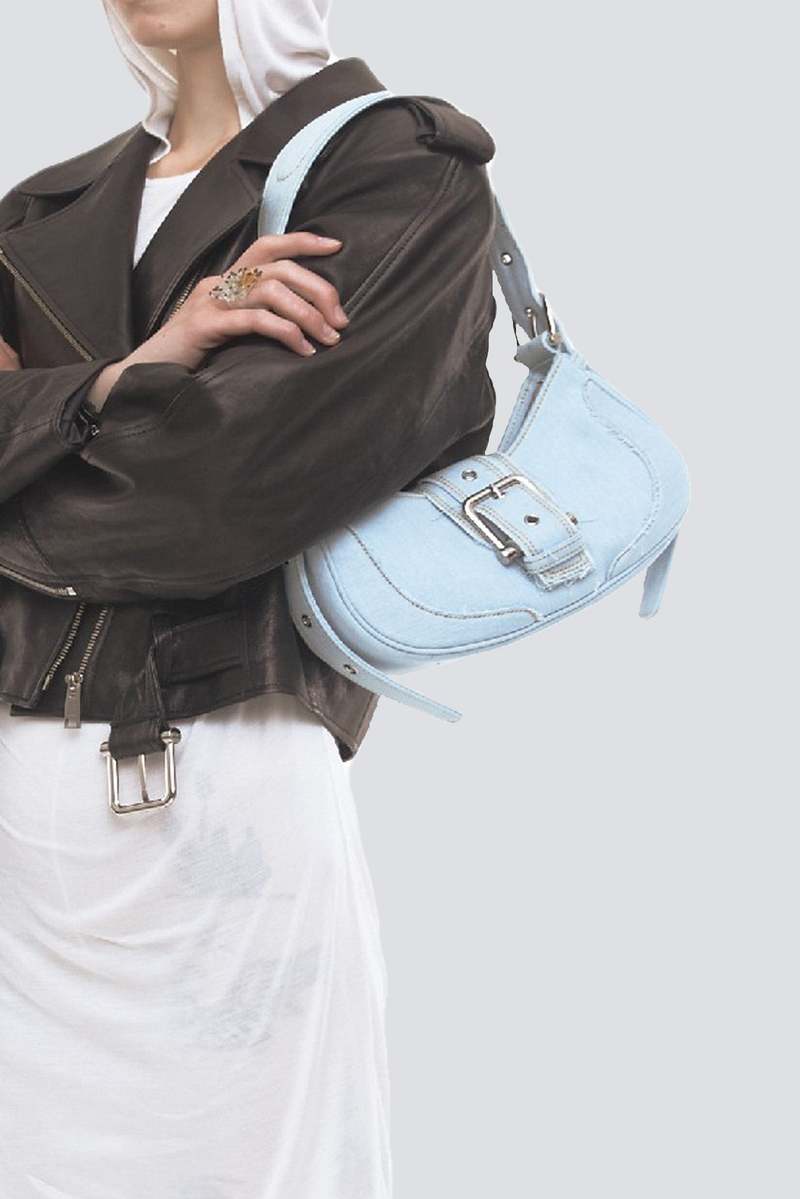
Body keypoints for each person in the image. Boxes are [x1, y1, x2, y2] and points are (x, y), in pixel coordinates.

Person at [0, 0, 498, 1192]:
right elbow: (166, 466)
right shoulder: (38, 210)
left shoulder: (395, 171)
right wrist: (131, 376)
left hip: (231, 777)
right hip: (16, 805)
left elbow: (214, 496)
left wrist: (37, 426)